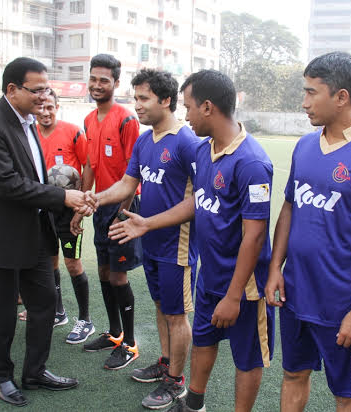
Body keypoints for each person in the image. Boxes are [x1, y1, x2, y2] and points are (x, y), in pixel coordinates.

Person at [108, 70, 275, 412]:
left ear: (209, 107)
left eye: (189, 107)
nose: (185, 116)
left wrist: (233, 295)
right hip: (210, 278)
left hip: (244, 287)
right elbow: (195, 204)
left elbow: (255, 236)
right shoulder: (204, 151)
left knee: (247, 359)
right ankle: (192, 404)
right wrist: (147, 224)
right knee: (204, 341)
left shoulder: (253, 163)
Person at [265, 52, 351, 412]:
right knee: (293, 374)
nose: (304, 102)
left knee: (346, 393)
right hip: (294, 292)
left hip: (339, 303)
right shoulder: (305, 146)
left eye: (312, 93)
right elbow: (290, 209)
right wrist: (275, 268)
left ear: (341, 97)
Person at [0, 57, 91, 407]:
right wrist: (62, 195)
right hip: (1, 238)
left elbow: (34, 177)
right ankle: (2, 376)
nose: (43, 96)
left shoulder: (28, 120)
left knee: (45, 304)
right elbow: (7, 184)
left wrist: (64, 199)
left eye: (47, 89)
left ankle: (35, 370)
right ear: (12, 89)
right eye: (37, 90)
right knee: (4, 313)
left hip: (36, 233)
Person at [86, 68, 199, 409]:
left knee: (178, 315)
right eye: (135, 98)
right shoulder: (144, 140)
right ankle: (166, 363)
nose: (137, 105)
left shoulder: (187, 142)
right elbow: (126, 185)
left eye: (144, 98)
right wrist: (95, 198)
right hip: (148, 240)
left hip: (175, 246)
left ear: (166, 100)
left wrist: (148, 223)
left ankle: (176, 381)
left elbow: (197, 202)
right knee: (163, 307)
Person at [75, 53, 143, 370]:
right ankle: (114, 333)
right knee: (104, 272)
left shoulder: (127, 120)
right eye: (93, 78)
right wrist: (82, 204)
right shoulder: (89, 120)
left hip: (122, 208)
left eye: (104, 80)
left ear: (116, 83)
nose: (97, 85)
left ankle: (129, 344)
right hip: (100, 207)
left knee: (117, 276)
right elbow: (89, 166)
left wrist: (122, 213)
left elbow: (135, 173)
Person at [18, 90, 95, 344]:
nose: (45, 112)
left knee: (72, 263)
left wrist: (80, 208)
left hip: (68, 210)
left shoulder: (73, 131)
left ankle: (85, 320)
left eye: (50, 107)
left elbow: (87, 168)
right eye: (40, 107)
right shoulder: (28, 135)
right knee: (49, 263)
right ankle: (58, 312)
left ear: (57, 106)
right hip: (42, 209)